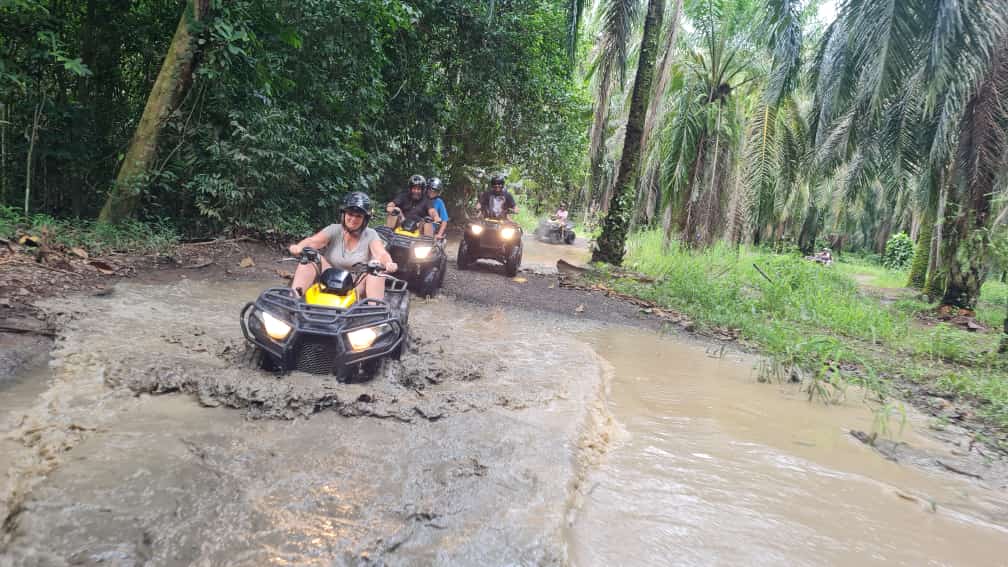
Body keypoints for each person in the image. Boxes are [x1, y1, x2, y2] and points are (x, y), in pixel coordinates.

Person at [288, 191, 397, 300]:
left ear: (365, 219)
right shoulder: (334, 229)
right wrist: (298, 247)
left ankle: (374, 310)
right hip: (328, 278)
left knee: (376, 269)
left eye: (358, 216)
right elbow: (313, 241)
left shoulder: (371, 234)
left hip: (355, 285)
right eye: (350, 214)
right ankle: (293, 299)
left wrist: (388, 263)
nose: (353, 219)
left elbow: (381, 253)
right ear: (344, 214)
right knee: (310, 256)